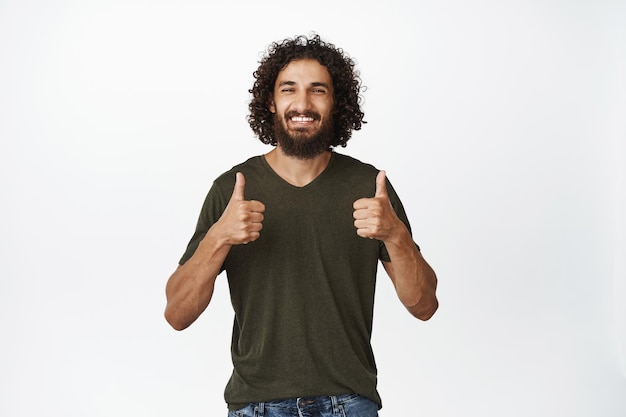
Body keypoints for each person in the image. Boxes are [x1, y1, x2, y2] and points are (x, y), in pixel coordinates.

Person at [164, 34, 438, 417]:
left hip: (350, 403)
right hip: (254, 405)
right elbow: (177, 314)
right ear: (271, 102)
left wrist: (395, 235)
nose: (302, 104)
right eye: (289, 89)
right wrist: (219, 236)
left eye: (317, 90)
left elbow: (424, 305)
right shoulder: (232, 189)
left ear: (336, 103)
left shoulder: (369, 187)